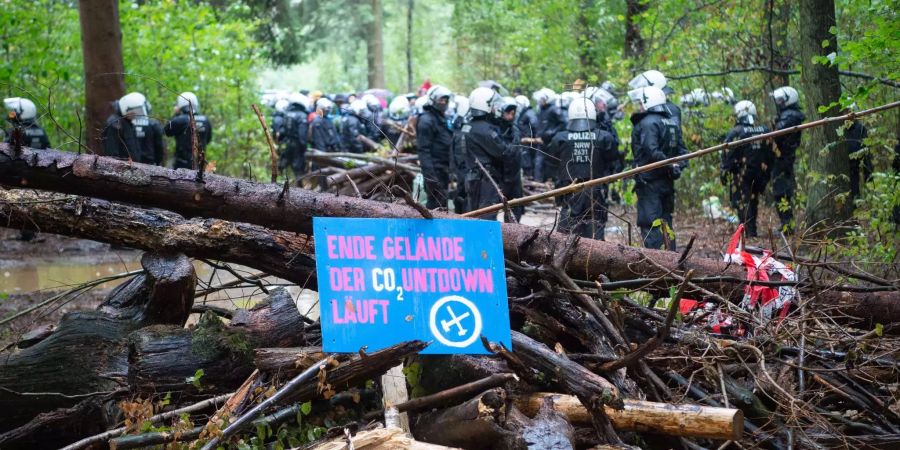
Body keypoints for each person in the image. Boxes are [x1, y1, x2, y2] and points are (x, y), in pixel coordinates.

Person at [548, 94, 618, 239]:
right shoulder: (604, 137)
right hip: (596, 193)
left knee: (565, 238)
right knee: (595, 237)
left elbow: (551, 163)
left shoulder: (560, 138)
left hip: (569, 192)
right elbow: (613, 161)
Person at [629, 86, 687, 250]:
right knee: (666, 220)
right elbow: (684, 152)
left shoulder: (647, 123)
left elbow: (652, 150)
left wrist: (669, 164)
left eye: (641, 102)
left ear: (647, 102)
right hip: (666, 182)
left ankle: (656, 264)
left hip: (650, 182)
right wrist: (675, 166)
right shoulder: (672, 122)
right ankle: (671, 259)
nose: (639, 106)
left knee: (651, 222)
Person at [720, 101, 773, 237]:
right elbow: (771, 152)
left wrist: (725, 169)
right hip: (760, 173)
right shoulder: (764, 130)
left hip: (741, 174)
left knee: (742, 201)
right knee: (753, 201)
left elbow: (728, 153)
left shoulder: (736, 132)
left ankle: (748, 232)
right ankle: (751, 229)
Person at [463, 87, 507, 219]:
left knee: (473, 213)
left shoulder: (467, 126)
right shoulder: (486, 130)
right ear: (485, 105)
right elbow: (502, 151)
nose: (495, 108)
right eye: (493, 105)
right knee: (488, 215)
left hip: (470, 176)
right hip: (486, 179)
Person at [770, 86, 805, 233]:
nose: (778, 103)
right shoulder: (789, 115)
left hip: (784, 159)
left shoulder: (790, 116)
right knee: (780, 191)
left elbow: (778, 134)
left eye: (780, 100)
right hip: (782, 158)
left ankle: (787, 226)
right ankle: (786, 225)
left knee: (781, 192)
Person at [416, 85, 454, 209]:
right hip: (434, 170)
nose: (444, 103)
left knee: (443, 203)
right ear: (433, 100)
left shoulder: (442, 118)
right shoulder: (426, 120)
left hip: (444, 169)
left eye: (446, 100)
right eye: (441, 100)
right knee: (436, 204)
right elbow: (423, 151)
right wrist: (431, 177)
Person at [103, 92, 165, 165]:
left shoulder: (126, 122)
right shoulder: (115, 125)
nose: (137, 115)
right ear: (127, 110)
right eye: (137, 111)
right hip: (122, 171)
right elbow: (112, 155)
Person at [164, 92, 212, 170]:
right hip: (200, 165)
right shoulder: (206, 120)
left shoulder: (179, 120)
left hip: (182, 166)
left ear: (180, 105)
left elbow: (167, 131)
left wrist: (175, 114)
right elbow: (208, 140)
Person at [498, 97, 524, 219]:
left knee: (515, 209)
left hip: (514, 176)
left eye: (512, 114)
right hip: (498, 175)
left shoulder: (515, 130)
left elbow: (515, 151)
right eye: (507, 113)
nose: (510, 117)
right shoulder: (494, 129)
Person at [533, 88, 565, 182]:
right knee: (539, 163)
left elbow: (563, 123)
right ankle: (538, 184)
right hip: (541, 142)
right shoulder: (541, 110)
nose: (540, 100)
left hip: (551, 142)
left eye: (542, 98)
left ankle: (551, 184)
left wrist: (550, 133)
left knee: (551, 163)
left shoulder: (554, 109)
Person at [449, 95, 470, 214]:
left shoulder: (458, 124)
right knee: (462, 194)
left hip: (459, 167)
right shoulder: (462, 128)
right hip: (463, 168)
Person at [514, 95, 539, 179]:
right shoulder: (523, 113)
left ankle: (530, 177)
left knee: (528, 160)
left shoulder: (529, 113)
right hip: (524, 141)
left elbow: (535, 127)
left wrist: (533, 139)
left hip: (528, 142)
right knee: (525, 159)